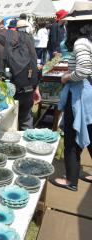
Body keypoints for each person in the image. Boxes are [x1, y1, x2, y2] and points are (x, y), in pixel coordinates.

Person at [50, 2, 92, 191]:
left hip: (79, 95)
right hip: (88, 92)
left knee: (72, 137)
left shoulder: (81, 42)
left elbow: (83, 69)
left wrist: (67, 77)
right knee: (90, 132)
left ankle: (71, 180)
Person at [0, 8, 41, 130]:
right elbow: (34, 64)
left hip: (4, 96)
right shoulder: (25, 37)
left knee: (5, 130)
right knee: (26, 124)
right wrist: (36, 88)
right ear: (2, 21)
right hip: (27, 88)